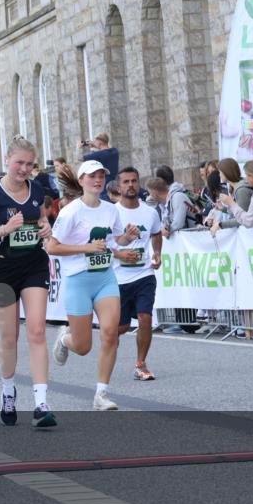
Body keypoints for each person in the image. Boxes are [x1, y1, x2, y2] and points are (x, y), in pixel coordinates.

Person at [0, 136, 54, 428]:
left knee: (38, 331)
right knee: (9, 338)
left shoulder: (37, 188)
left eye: (30, 165)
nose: (24, 169)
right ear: (7, 160)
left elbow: (41, 218)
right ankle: (8, 391)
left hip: (33, 265)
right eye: (20, 162)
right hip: (2, 270)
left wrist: (45, 226)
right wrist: (5, 228)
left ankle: (42, 403)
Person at [47, 161, 139, 410]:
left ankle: (101, 394)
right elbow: (51, 247)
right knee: (84, 346)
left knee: (111, 333)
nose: (97, 180)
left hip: (105, 278)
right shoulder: (70, 212)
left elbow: (114, 239)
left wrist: (126, 238)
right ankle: (65, 340)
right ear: (81, 181)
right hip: (78, 280)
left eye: (101, 176)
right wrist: (86, 247)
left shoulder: (111, 210)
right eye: (92, 176)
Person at [111, 167, 163, 380]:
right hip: (118, 278)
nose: (130, 185)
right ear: (119, 186)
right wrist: (120, 254)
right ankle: (104, 343)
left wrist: (157, 253)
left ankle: (141, 364)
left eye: (134, 181)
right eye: (126, 182)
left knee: (145, 317)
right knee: (121, 326)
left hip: (144, 275)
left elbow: (157, 233)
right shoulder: (111, 212)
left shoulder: (150, 212)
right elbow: (102, 243)